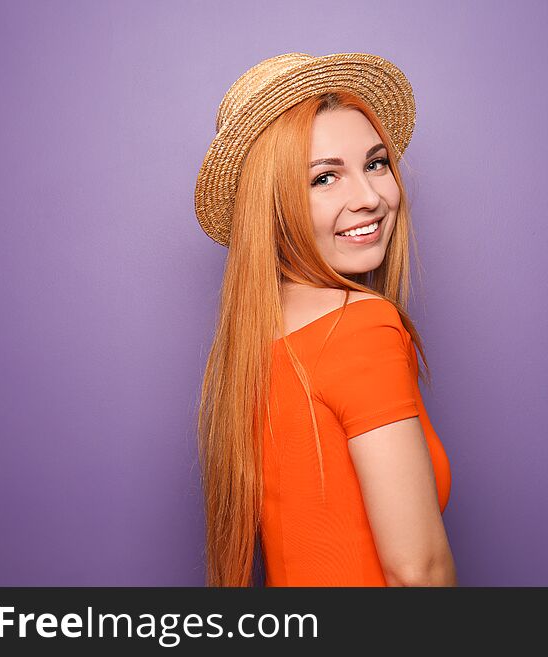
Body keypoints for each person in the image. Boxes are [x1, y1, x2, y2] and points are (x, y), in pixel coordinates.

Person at [193, 52, 456, 587]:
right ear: (271, 205)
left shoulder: (255, 342)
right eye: (324, 178)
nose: (370, 198)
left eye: (376, 164)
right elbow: (418, 572)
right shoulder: (362, 327)